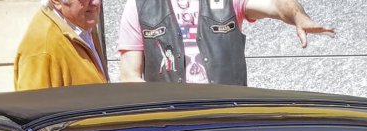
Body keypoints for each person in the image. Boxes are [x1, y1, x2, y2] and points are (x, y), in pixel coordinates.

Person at [118, 0, 332, 85]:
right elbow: (129, 77)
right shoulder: (139, 5)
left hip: (226, 123)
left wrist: (297, 15)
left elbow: (276, 5)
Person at [14, 0, 109, 91]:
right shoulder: (42, 47)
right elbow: (34, 105)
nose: (96, 2)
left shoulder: (85, 27)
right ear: (56, 1)